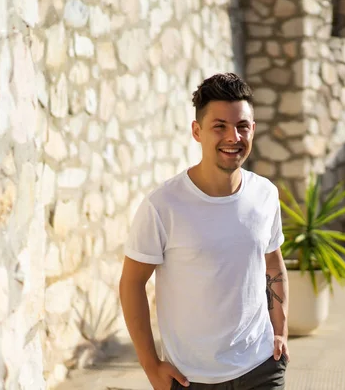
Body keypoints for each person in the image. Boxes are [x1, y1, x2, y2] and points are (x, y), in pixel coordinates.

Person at [119, 72, 290, 390]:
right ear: (197, 132)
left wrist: (279, 330)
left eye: (242, 126)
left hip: (262, 367)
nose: (233, 137)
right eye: (220, 126)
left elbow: (273, 263)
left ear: (252, 129)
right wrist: (151, 365)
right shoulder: (163, 205)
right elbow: (131, 284)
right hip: (192, 378)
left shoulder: (265, 194)